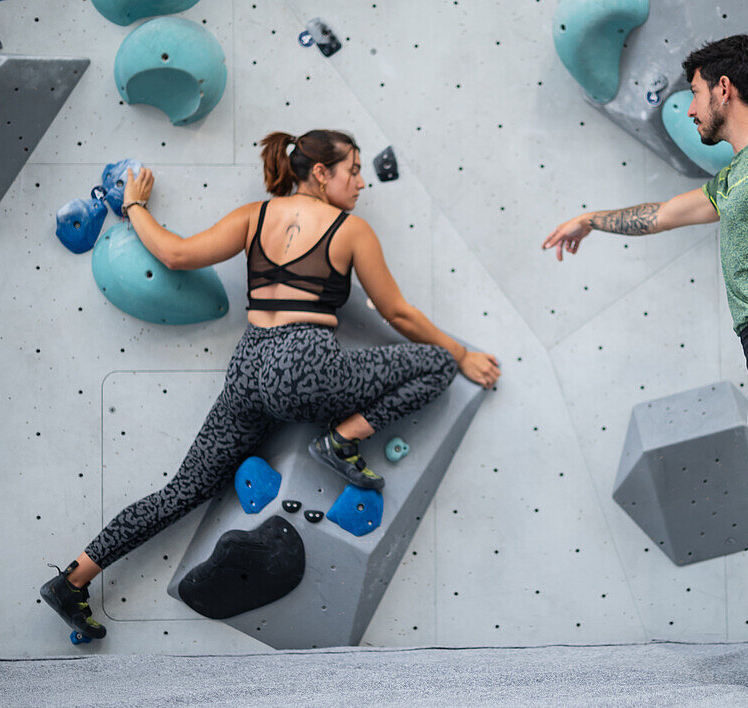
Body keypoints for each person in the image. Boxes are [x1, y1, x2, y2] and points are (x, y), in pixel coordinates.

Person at [40, 129, 500, 641]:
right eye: (353, 170)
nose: (361, 182)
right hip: (308, 366)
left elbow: (176, 255)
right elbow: (396, 312)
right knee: (435, 364)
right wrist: (462, 353)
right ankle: (343, 438)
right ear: (321, 173)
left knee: (183, 490)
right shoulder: (350, 229)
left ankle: (75, 578)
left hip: (248, 369)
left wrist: (136, 206)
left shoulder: (253, 216)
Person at [542, 35, 748, 702]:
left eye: (692, 92)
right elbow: (662, 215)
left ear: (723, 88)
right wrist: (589, 220)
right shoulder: (736, 173)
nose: (688, 109)